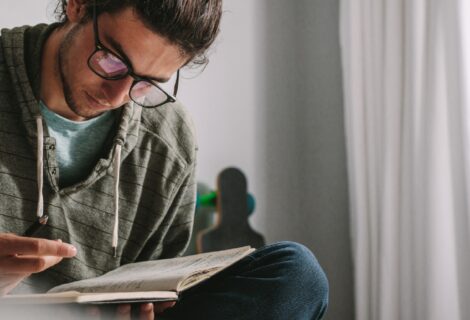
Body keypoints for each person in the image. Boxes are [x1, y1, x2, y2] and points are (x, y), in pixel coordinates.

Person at [0, 0, 329, 319]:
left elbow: (156, 280)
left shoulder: (169, 135)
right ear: (78, 5)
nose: (116, 97)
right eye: (112, 61)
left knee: (297, 275)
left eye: (147, 84)